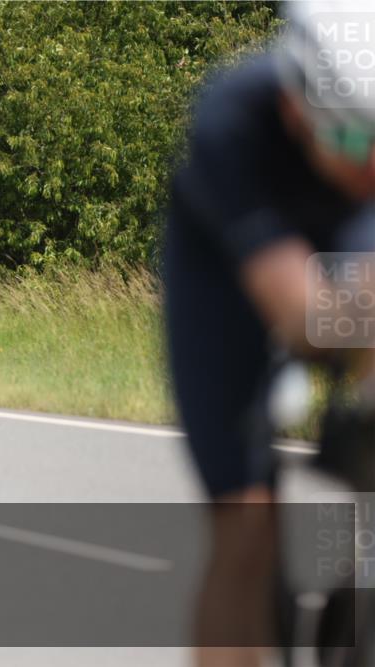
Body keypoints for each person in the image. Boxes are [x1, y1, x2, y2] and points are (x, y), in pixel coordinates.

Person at [164, 2, 374, 665]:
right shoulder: (232, 120)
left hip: (353, 236)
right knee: (246, 526)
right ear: (295, 108)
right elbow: (306, 319)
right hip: (228, 275)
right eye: (353, 142)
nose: (369, 166)